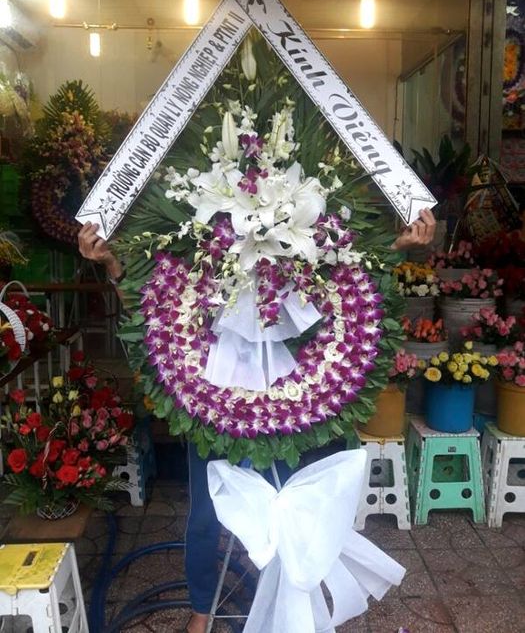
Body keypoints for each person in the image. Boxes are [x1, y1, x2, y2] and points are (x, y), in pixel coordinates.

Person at [78, 206, 436, 633]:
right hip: (209, 396)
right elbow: (151, 312)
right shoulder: (201, 249)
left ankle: (285, 601)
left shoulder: (300, 245)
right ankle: (202, 606)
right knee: (205, 515)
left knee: (284, 503)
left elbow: (352, 285)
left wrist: (397, 247)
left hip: (286, 399)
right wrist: (112, 264)